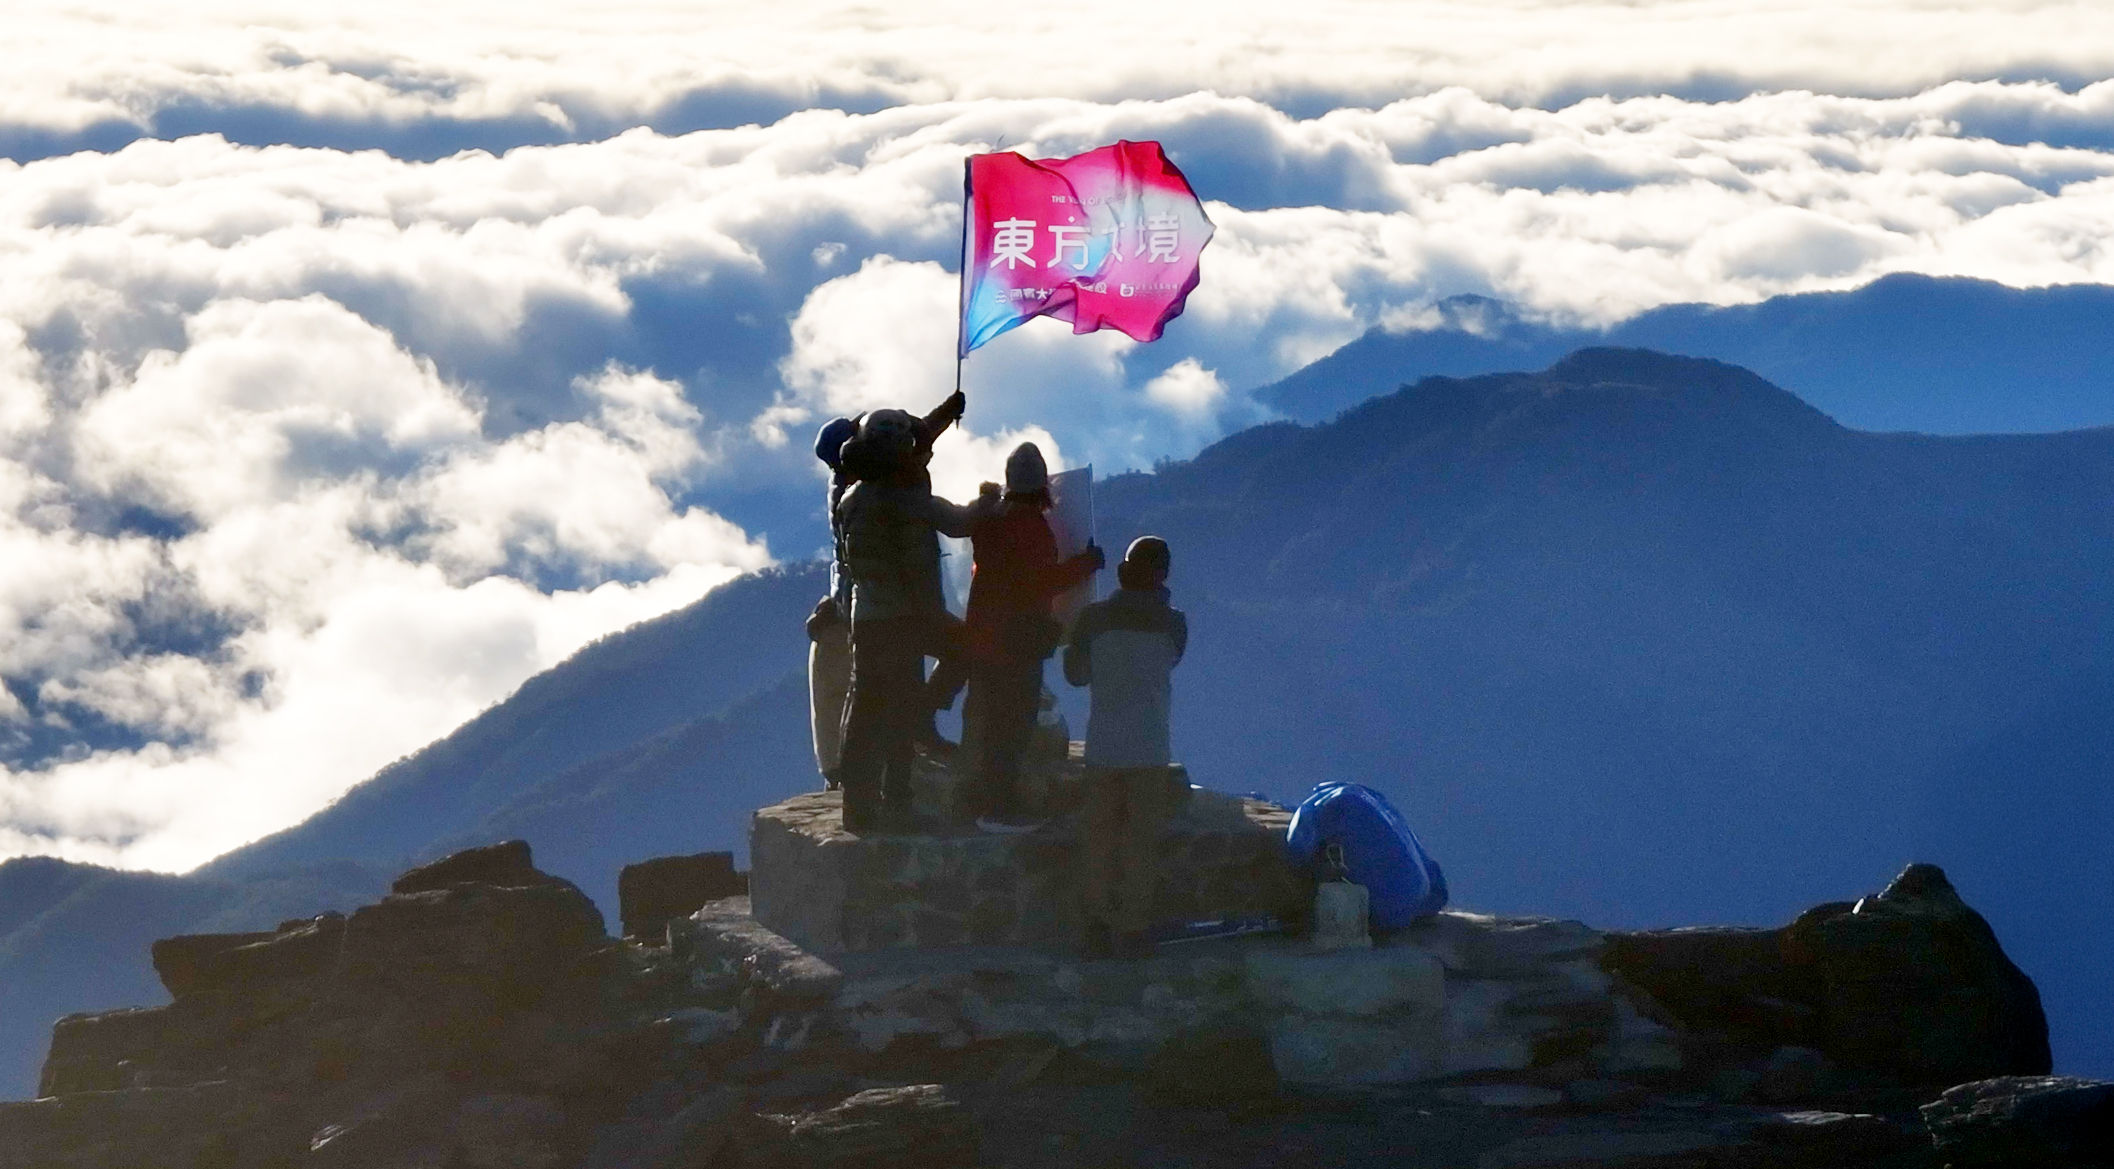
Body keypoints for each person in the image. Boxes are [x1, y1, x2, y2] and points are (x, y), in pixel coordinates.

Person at [834, 407, 993, 832]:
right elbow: (959, 522)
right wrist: (989, 501)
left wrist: (943, 415)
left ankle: (858, 807)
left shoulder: (852, 497)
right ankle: (900, 798)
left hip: (867, 619)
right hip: (909, 617)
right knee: (946, 667)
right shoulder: (907, 497)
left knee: (867, 711)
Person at [959, 442, 1103, 831]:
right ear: (1043, 484)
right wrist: (1087, 564)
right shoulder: (1031, 527)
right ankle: (1000, 809)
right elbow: (1040, 582)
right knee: (1012, 725)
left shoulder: (990, 520)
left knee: (989, 721)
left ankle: (977, 804)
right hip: (1018, 640)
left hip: (983, 635)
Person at [1063, 535, 1187, 958]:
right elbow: (1172, 658)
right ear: (1164, 576)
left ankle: (1094, 928)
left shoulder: (1092, 619)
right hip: (1151, 750)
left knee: (1099, 840)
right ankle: (1132, 931)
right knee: (1140, 846)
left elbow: (1076, 676)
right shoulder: (1175, 624)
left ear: (1121, 572)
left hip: (1103, 748)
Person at [806, 415, 862, 789]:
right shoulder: (854, 496)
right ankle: (844, 767)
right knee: (851, 688)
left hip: (841, 603)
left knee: (831, 690)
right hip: (852, 607)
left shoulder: (841, 487)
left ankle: (837, 768)